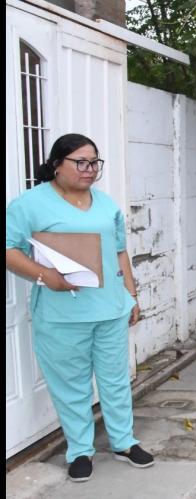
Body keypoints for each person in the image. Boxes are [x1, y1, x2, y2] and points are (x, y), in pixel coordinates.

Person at [5, 133, 154, 482]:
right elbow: (10, 250)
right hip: (61, 315)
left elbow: (119, 252)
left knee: (115, 380)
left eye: (95, 163)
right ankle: (80, 451)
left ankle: (124, 442)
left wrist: (131, 295)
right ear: (57, 165)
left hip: (109, 309)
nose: (90, 170)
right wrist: (45, 277)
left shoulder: (105, 205)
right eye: (81, 163)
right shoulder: (29, 204)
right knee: (71, 385)